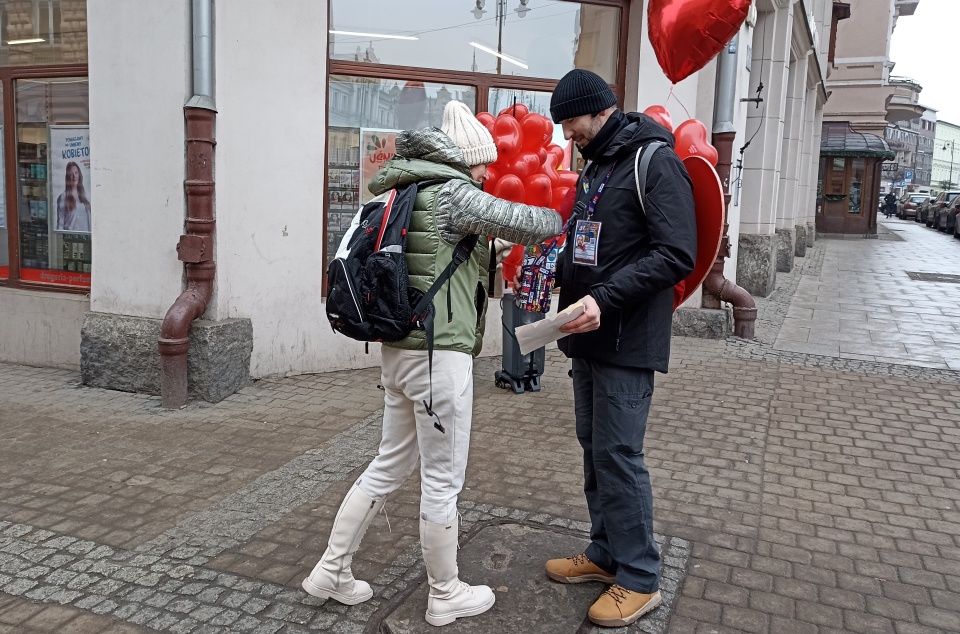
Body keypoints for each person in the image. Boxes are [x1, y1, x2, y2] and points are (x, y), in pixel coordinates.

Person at [302, 100, 562, 627]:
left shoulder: (402, 190)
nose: (491, 172)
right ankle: (445, 594)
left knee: (387, 464)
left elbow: (445, 256)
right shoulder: (455, 194)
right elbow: (539, 221)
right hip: (438, 359)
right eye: (485, 163)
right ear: (465, 160)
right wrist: (565, 206)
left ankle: (331, 571)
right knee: (442, 480)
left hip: (398, 354)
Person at [535, 69, 697, 628]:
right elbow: (591, 245)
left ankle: (639, 576)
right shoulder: (596, 165)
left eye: (571, 124)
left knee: (620, 455)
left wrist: (605, 296)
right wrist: (548, 270)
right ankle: (605, 552)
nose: (566, 137)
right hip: (588, 334)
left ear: (599, 111)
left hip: (628, 340)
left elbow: (677, 253)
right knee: (593, 447)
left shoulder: (655, 162)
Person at [55, 161, 91, 232]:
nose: (74, 176)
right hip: (71, 240)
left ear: (79, 174)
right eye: (71, 174)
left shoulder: (85, 196)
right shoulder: (63, 197)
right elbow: (60, 225)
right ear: (67, 177)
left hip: (86, 239)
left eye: (76, 173)